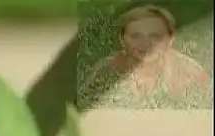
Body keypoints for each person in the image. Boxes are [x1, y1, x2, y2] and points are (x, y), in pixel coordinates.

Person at [81, 4, 214, 109]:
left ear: (171, 39)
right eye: (136, 36)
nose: (146, 44)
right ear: (122, 40)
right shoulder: (106, 72)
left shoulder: (190, 73)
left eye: (156, 37)